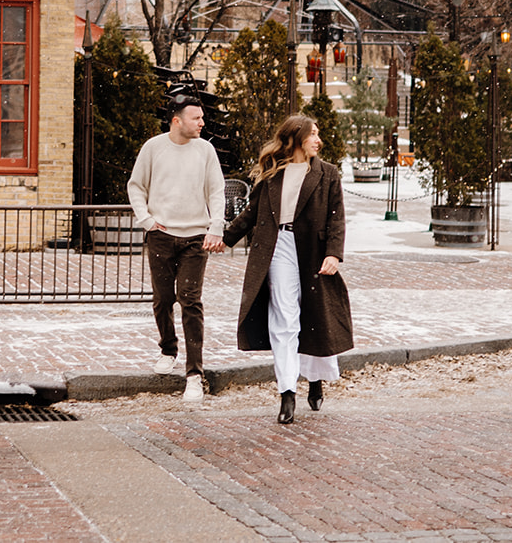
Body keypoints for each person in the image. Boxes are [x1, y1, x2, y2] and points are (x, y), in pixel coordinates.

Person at [221, 114, 353, 424]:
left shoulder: (328, 174)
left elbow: (337, 218)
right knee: (283, 317)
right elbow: (252, 213)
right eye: (313, 135)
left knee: (312, 315)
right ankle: (287, 392)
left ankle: (315, 378)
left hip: (312, 249)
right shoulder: (272, 174)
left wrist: (333, 254)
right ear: (296, 138)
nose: (318, 140)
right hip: (277, 246)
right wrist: (223, 238)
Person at [127, 95, 227, 402]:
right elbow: (136, 185)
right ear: (177, 120)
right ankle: (167, 349)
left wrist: (215, 228)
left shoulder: (205, 150)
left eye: (202, 118)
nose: (202, 123)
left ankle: (194, 374)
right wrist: (146, 220)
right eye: (196, 118)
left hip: (196, 238)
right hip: (161, 236)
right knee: (163, 299)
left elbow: (217, 191)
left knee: (190, 301)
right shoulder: (153, 148)